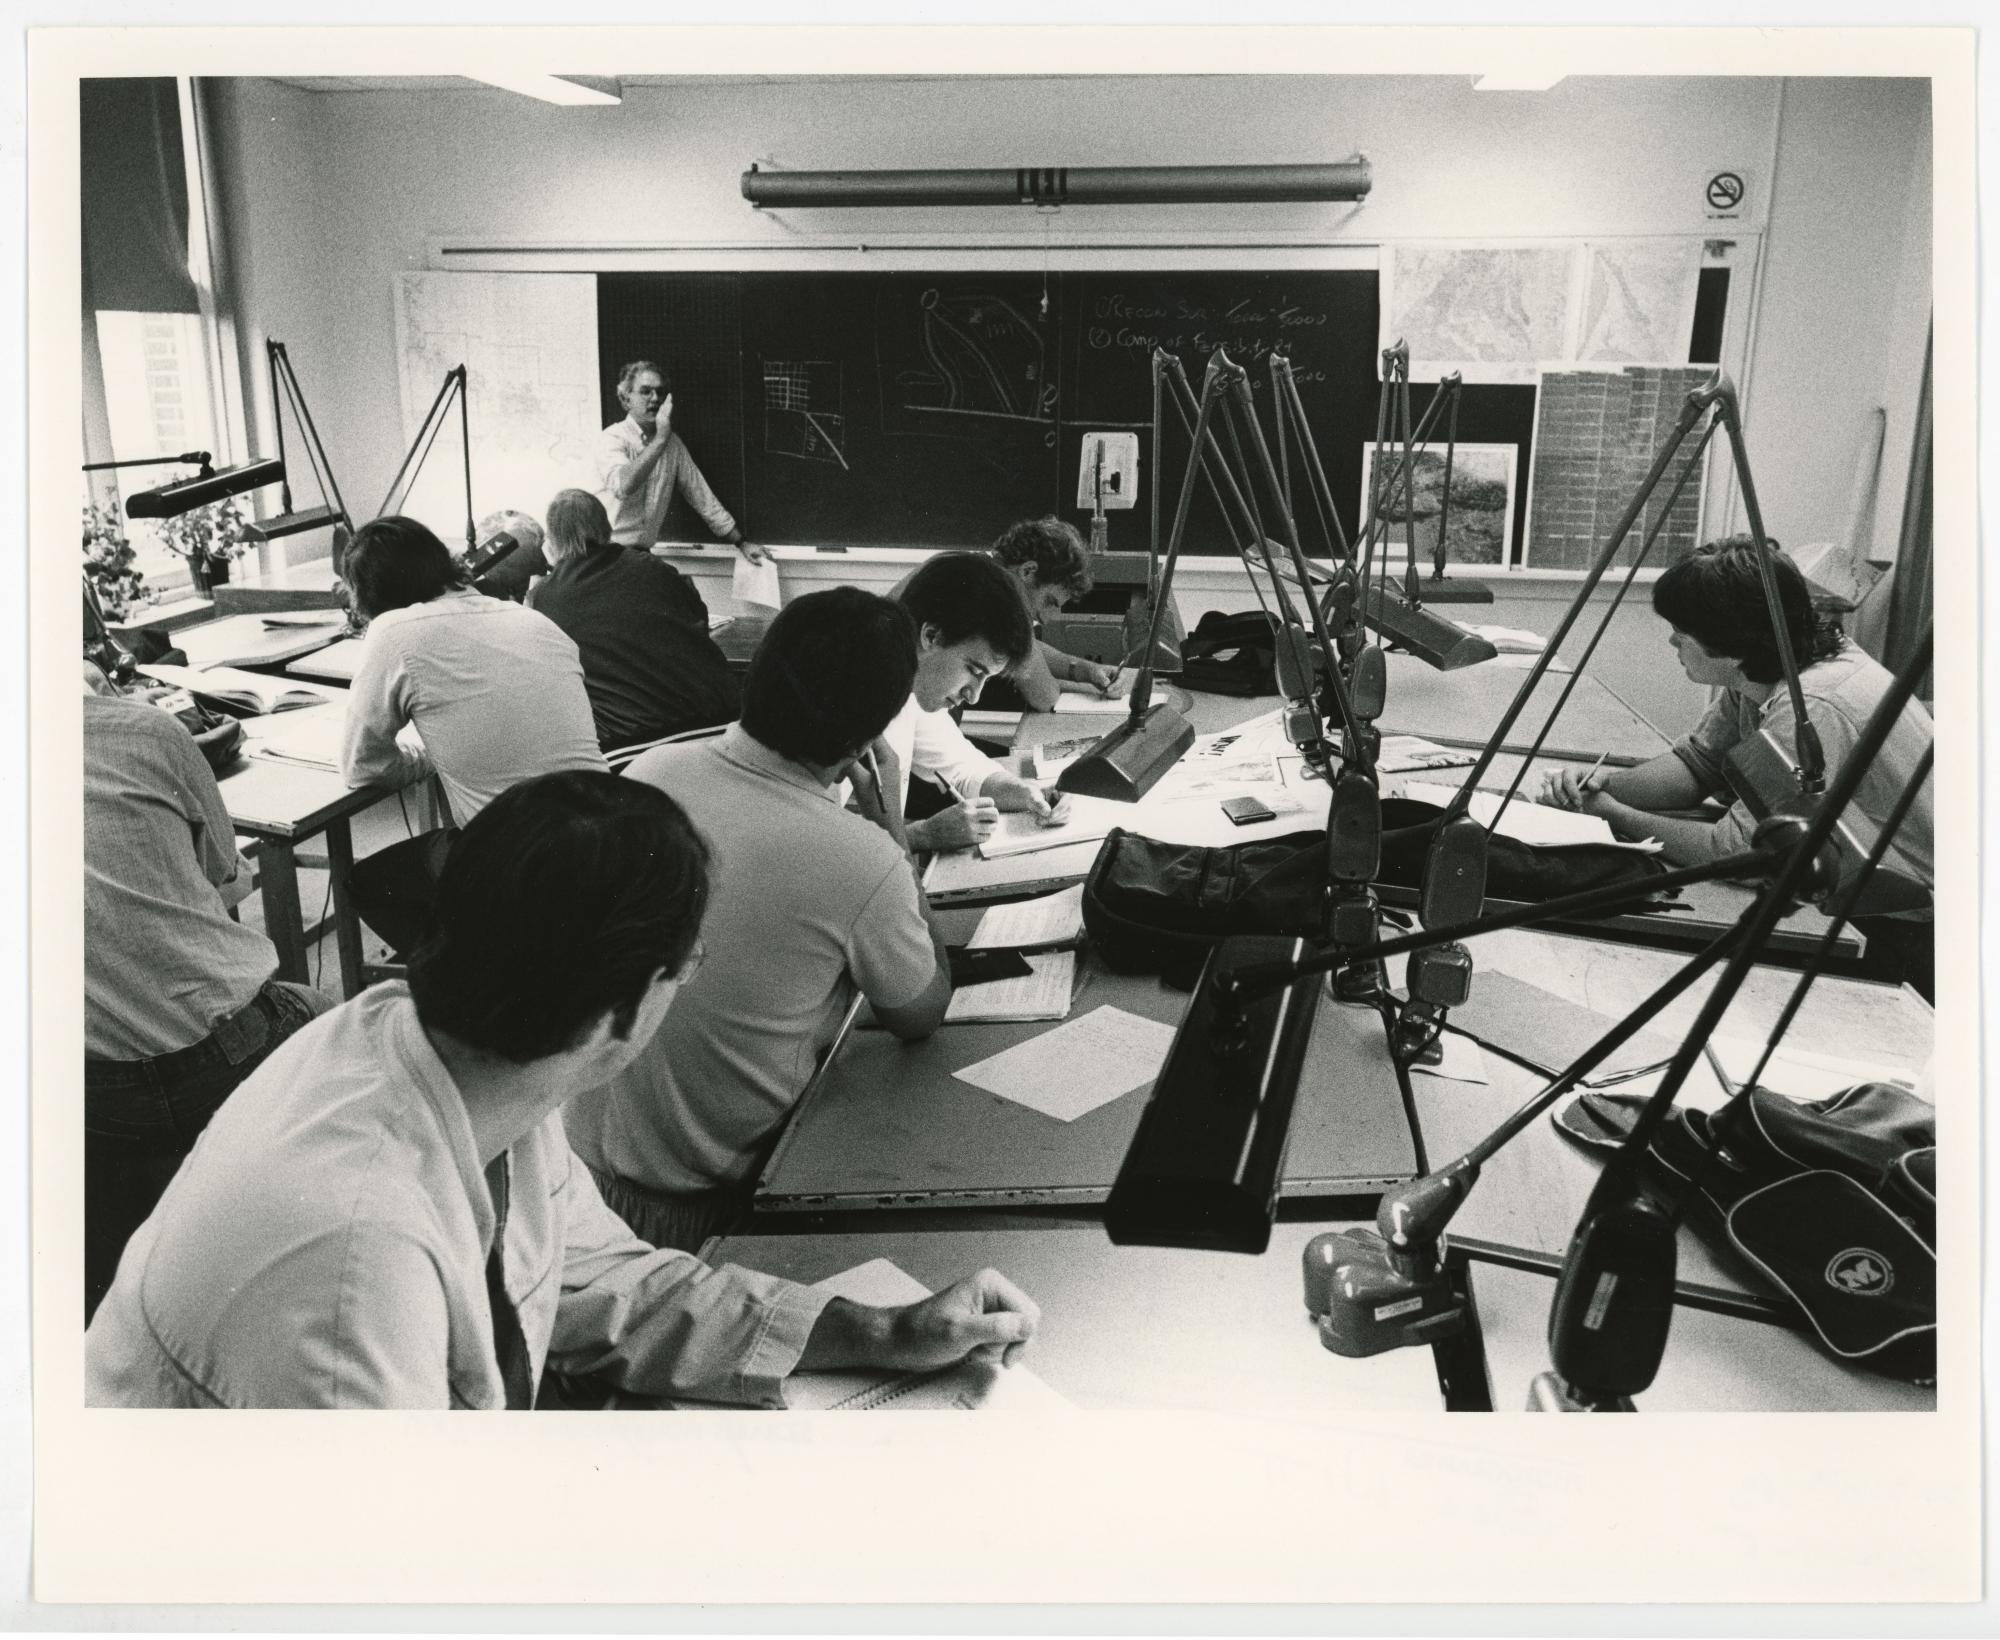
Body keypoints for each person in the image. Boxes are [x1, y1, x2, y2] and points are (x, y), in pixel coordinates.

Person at [86, 770, 1038, 1408]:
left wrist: (888, 1329)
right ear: (627, 1010)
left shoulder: (473, 1062)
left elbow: (605, 1285)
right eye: (689, 967)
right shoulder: (354, 1272)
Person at [562, 589, 954, 1250]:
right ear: (866, 740)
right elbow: (922, 1015)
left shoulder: (647, 770)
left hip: (572, 1181)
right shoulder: (859, 857)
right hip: (707, 1215)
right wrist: (894, 838)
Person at [1539, 535, 1934, 997]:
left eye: (1682, 631)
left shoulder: (1812, 706)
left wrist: (1610, 813)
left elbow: (1733, 857)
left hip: (1900, 922)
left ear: (1729, 641)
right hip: (1847, 885)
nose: (1672, 638)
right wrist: (1603, 785)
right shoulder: (1763, 668)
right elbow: (1697, 766)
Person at [82, 663, 331, 1320]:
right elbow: (228, 881)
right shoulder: (148, 731)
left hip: (87, 1095)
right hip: (224, 1055)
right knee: (332, 1018)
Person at [340, 515, 607, 954]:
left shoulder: (394, 631)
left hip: (522, 860)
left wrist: (424, 759)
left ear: (369, 594)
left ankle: (471, 983)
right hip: (609, 838)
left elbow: (361, 767)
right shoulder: (532, 620)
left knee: (369, 882)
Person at [881, 550, 1073, 853]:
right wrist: (922, 835)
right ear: (931, 636)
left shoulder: (910, 688)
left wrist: (1026, 793)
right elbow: (815, 847)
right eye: (973, 670)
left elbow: (964, 770)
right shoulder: (844, 699)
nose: (974, 696)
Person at [527, 488, 739, 754]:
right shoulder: (656, 567)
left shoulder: (545, 596)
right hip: (719, 724)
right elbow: (700, 622)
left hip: (634, 742)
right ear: (606, 527)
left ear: (552, 539)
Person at [594, 359, 770, 565]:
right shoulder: (612, 438)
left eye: (660, 393)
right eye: (645, 391)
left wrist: (741, 543)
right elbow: (624, 486)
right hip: (603, 555)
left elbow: (701, 496)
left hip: (639, 556)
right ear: (625, 399)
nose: (654, 399)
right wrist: (660, 439)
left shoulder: (673, 444)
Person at [984, 516, 1129, 709]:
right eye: (1049, 602)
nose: (1045, 619)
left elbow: (1029, 648)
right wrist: (1088, 687)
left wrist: (1088, 670)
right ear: (1028, 571)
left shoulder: (984, 573)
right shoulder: (996, 602)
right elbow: (1046, 698)